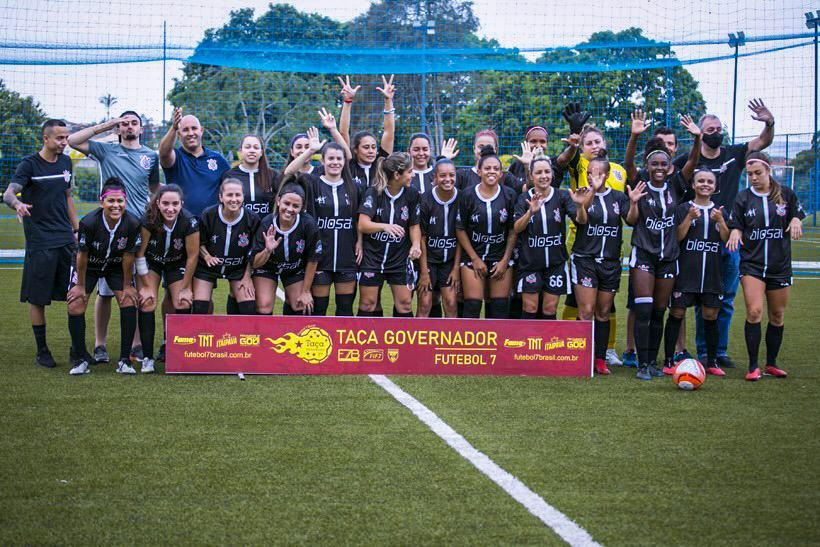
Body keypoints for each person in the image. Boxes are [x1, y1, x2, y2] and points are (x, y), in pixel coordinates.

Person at [673, 100, 775, 370]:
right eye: (709, 128)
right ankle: (703, 353)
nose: (715, 132)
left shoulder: (734, 153)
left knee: (725, 298)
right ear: (700, 132)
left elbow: (762, 142)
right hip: (695, 238)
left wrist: (769, 122)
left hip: (728, 237)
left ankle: (719, 352)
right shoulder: (690, 159)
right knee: (695, 296)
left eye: (718, 128)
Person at [68, 110, 160, 365]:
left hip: (137, 230)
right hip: (107, 230)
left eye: (134, 123)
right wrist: (107, 126)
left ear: (141, 128)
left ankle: (137, 344)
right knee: (106, 292)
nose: (129, 126)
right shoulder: (105, 151)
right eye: (124, 123)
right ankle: (100, 344)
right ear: (119, 129)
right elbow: (73, 141)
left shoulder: (150, 156)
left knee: (135, 286)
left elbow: (154, 190)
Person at [630, 115, 702, 380]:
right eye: (654, 164)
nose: (659, 167)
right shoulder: (640, 185)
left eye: (663, 164)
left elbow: (693, 161)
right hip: (644, 255)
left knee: (660, 311)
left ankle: (652, 363)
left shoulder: (676, 185)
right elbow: (628, 162)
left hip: (669, 257)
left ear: (670, 166)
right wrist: (635, 135)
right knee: (644, 309)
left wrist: (697, 138)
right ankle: (640, 365)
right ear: (647, 166)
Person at [4, 119, 79, 368]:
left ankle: (77, 350)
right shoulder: (29, 164)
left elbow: (68, 197)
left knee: (75, 293)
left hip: (65, 239)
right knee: (38, 298)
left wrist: (76, 229)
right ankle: (42, 351)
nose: (64, 142)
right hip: (40, 242)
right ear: (45, 139)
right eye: (59, 138)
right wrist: (18, 204)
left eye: (66, 137)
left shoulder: (66, 162)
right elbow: (9, 192)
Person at [727, 152, 805, 381]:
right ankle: (753, 366)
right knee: (754, 311)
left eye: (757, 173)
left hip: (780, 265)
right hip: (752, 264)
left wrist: (796, 219)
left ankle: (771, 363)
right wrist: (735, 231)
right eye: (749, 174)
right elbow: (737, 225)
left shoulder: (786, 195)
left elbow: (797, 215)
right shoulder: (743, 198)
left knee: (777, 315)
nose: (753, 178)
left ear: (768, 171)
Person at [559, 119, 627, 366]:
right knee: (575, 300)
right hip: (580, 240)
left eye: (597, 141)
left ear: (605, 143)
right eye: (589, 143)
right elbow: (567, 158)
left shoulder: (618, 171)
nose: (594, 146)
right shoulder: (580, 165)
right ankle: (571, 345)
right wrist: (575, 136)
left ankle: (606, 350)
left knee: (606, 305)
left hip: (609, 248)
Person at [570, 156, 640, 374]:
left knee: (602, 312)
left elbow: (631, 220)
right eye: (590, 172)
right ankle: (583, 358)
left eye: (599, 173)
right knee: (586, 311)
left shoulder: (618, 197)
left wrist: (635, 202)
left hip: (610, 262)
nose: (593, 177)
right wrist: (588, 195)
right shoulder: (582, 193)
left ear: (608, 176)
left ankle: (600, 359)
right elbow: (581, 220)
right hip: (585, 260)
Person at [66, 178, 141, 375]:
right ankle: (80, 358)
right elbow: (82, 255)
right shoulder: (89, 222)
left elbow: (128, 256)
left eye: (120, 201)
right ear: (102, 202)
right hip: (89, 266)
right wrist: (80, 286)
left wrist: (127, 285)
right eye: (111, 201)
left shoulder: (133, 223)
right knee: (75, 303)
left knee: (128, 301)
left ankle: (125, 360)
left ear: (125, 201)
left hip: (115, 266)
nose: (116, 205)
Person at [663, 169, 729, 377]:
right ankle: (668, 360)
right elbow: (677, 237)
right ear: (693, 185)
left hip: (712, 274)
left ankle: (711, 361)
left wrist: (721, 221)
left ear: (715, 186)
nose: (705, 184)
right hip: (686, 274)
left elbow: (727, 240)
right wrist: (689, 218)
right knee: (677, 313)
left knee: (711, 315)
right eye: (701, 181)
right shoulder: (684, 209)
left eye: (709, 181)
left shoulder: (720, 211)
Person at [288, 126, 361, 317]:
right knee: (318, 310)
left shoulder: (353, 186)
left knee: (345, 310)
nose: (335, 162)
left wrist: (360, 241)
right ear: (323, 160)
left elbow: (358, 219)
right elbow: (289, 171)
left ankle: (342, 347)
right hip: (320, 258)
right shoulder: (312, 181)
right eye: (331, 158)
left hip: (346, 257)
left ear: (344, 161)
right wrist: (311, 150)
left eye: (339, 159)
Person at [135, 184, 199, 373]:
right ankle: (147, 358)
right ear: (157, 203)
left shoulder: (189, 221)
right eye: (165, 204)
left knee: (183, 301)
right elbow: (139, 254)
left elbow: (192, 256)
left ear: (181, 204)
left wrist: (186, 287)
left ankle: (180, 354)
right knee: (147, 302)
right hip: (152, 262)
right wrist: (146, 286)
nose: (170, 208)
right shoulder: (148, 219)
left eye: (175, 204)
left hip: (175, 263)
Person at [456, 146, 518, 318]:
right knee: (473, 306)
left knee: (499, 308)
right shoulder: (467, 195)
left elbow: (513, 230)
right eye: (487, 168)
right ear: (479, 171)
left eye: (496, 169)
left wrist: (505, 260)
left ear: (501, 173)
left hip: (500, 257)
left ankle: (498, 346)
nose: (492, 172)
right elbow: (460, 229)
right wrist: (475, 259)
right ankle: (470, 346)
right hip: (473, 257)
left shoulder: (509, 195)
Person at [357, 152, 421, 317]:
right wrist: (385, 226)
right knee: (368, 303)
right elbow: (363, 224)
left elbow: (414, 225)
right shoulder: (374, 192)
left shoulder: (412, 194)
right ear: (397, 174)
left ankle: (402, 344)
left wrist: (415, 245)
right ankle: (369, 343)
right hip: (373, 257)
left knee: (405, 305)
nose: (412, 175)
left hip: (399, 258)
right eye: (409, 171)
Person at [512, 156, 577, 320]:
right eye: (539, 172)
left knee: (549, 308)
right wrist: (530, 212)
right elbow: (517, 228)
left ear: (552, 174)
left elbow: (581, 221)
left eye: (547, 171)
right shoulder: (524, 198)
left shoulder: (562, 196)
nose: (544, 176)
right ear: (532, 176)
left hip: (556, 263)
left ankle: (547, 345)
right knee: (530, 307)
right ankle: (527, 345)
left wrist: (581, 205)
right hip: (530, 263)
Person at [251, 181, 321, 315]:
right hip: (268, 267)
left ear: (302, 207)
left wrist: (306, 292)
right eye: (286, 203)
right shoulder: (267, 223)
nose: (290, 209)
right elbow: (255, 263)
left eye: (296, 206)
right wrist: (267, 250)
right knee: (264, 306)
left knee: (301, 305)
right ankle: (265, 334)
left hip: (294, 268)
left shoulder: (308, 224)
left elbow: (313, 259)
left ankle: (290, 332)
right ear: (278, 201)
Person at [192, 178, 260, 315]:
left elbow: (254, 252)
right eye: (229, 195)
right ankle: (204, 335)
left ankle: (237, 335)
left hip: (238, 268)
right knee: (200, 306)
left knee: (248, 307)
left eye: (238, 195)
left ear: (243, 197)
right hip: (207, 268)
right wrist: (207, 256)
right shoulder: (208, 214)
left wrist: (247, 276)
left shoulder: (252, 219)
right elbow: (198, 242)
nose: (234, 199)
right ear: (221, 197)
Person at [159, 107, 231, 216]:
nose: (190, 133)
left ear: (201, 131)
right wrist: (174, 128)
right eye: (185, 130)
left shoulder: (218, 159)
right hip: (182, 225)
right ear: (179, 135)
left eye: (194, 128)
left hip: (211, 225)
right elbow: (163, 153)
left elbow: (232, 187)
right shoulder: (175, 158)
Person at [417, 159, 461, 318]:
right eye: (442, 175)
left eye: (451, 175)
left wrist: (456, 269)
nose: (447, 179)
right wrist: (423, 272)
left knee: (450, 303)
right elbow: (421, 237)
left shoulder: (461, 199)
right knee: (425, 303)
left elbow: (461, 237)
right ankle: (418, 340)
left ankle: (450, 343)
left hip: (449, 261)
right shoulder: (425, 200)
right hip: (428, 261)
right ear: (434, 178)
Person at [338, 75, 396, 188]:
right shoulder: (349, 165)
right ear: (355, 149)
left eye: (373, 147)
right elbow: (343, 133)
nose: (371, 151)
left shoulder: (381, 163)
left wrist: (388, 100)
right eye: (366, 147)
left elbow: (389, 132)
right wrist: (347, 101)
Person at [222, 134, 280, 218]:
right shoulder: (229, 176)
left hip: (266, 228)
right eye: (247, 147)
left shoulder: (273, 175)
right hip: (240, 228)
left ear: (261, 152)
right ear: (240, 151)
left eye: (256, 147)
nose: (252, 150)